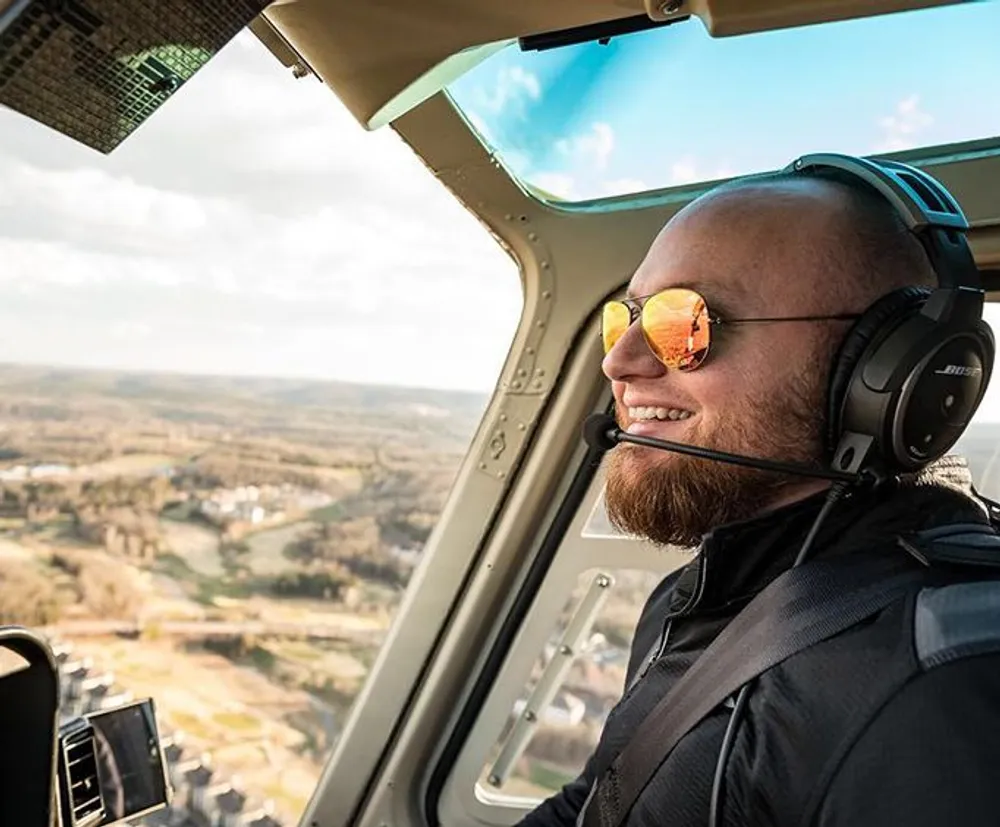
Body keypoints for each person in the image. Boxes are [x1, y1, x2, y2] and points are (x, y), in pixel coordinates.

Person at [517, 163, 1000, 827]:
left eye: (683, 321)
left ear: (879, 371)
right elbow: (600, 804)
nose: (620, 360)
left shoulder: (928, 693)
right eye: (625, 318)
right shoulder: (703, 593)